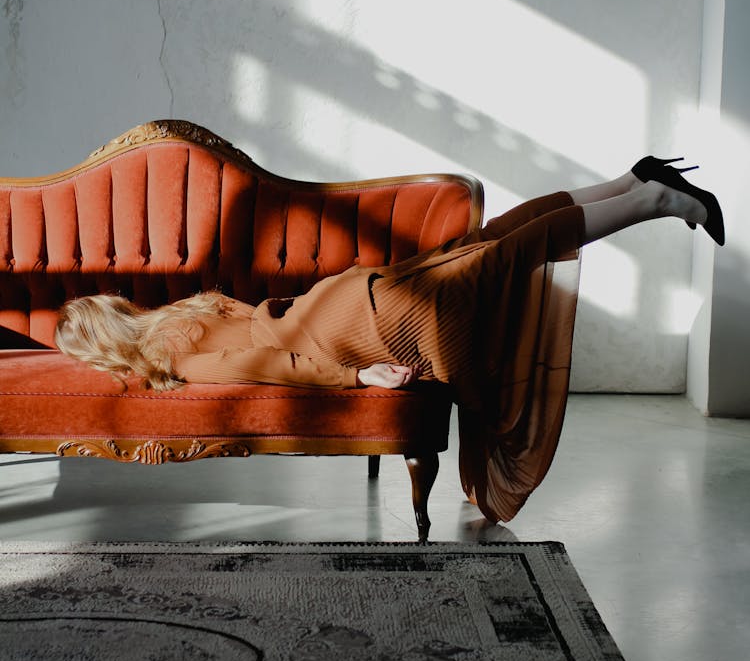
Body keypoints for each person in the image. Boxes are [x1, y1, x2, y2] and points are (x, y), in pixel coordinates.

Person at [54, 155, 724, 523]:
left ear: (99, 348)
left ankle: (652, 202)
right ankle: (629, 181)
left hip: (351, 328)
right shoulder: (179, 311)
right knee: (478, 247)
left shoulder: (166, 354)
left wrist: (354, 378)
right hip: (343, 294)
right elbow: (257, 329)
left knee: (493, 264)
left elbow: (263, 362)